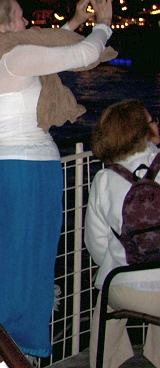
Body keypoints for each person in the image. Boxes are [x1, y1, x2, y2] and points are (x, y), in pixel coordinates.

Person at [0, 0, 114, 358]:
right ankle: (15, 352)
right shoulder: (16, 56)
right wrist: (104, 25)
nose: (28, 20)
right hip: (25, 176)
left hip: (8, 172)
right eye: (20, 15)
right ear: (4, 27)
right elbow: (84, 54)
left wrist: (75, 21)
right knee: (26, 265)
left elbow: (49, 45)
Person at [85, 99, 160, 368]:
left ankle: (106, 362)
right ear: (142, 131)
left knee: (105, 301)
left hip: (124, 288)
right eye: (152, 120)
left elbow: (95, 244)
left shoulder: (104, 179)